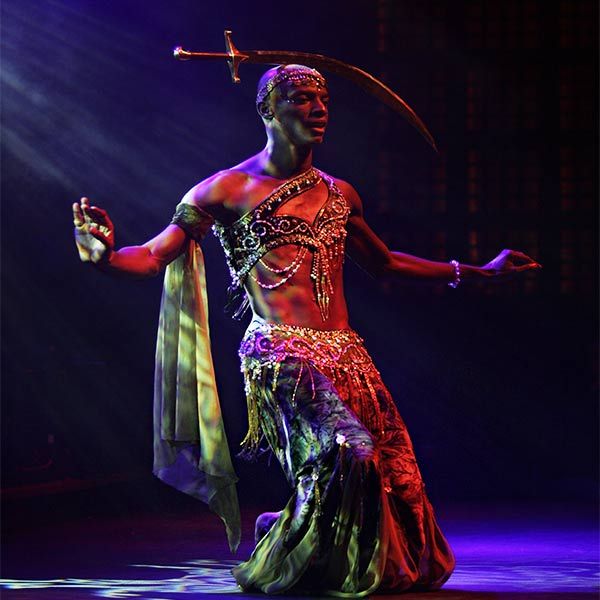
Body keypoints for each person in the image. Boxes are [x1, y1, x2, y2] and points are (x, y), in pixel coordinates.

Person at [73, 64, 541, 596]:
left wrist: (477, 272)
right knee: (351, 451)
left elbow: (384, 263)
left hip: (346, 352)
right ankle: (288, 547)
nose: (318, 110)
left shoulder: (340, 193)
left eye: (323, 100)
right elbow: (155, 256)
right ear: (268, 110)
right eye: (301, 99)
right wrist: (105, 257)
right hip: (279, 351)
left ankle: (283, 524)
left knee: (397, 475)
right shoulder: (224, 189)